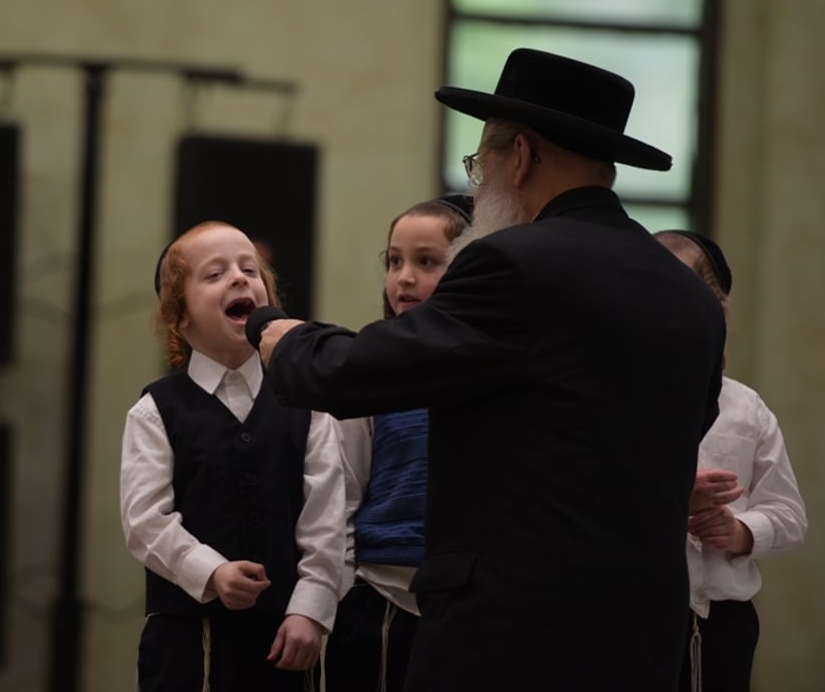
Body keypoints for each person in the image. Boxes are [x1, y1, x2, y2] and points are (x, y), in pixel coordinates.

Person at [248, 48, 727, 690]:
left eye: (481, 163)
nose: (479, 184)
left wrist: (280, 334)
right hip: (642, 631)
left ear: (522, 156)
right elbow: (685, 427)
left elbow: (362, 371)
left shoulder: (513, 263)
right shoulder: (690, 296)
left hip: (513, 629)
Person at [120, 220, 346, 691]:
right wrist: (212, 569)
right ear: (178, 316)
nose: (240, 278)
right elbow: (145, 519)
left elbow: (326, 520)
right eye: (215, 273)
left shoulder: (308, 404)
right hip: (186, 642)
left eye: (250, 269)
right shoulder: (154, 410)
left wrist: (311, 608)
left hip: (285, 638)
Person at [327, 195, 472, 692]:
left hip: (464, 602)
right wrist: (340, 592)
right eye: (394, 261)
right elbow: (341, 493)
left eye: (426, 262)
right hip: (379, 593)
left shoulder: (490, 376)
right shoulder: (370, 373)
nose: (403, 278)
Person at [654, 229, 807, 692]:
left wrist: (740, 531)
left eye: (704, 291)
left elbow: (789, 516)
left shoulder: (746, 407)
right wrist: (671, 500)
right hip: (633, 614)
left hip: (723, 624)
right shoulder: (606, 398)